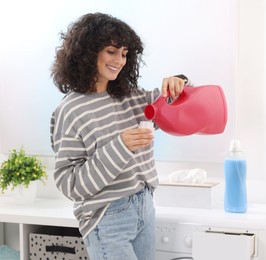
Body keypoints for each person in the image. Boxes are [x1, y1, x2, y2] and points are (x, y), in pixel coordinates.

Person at [50, 12, 188, 260]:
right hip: (107, 218)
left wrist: (180, 81)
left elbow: (177, 102)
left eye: (124, 53)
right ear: (88, 51)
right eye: (111, 51)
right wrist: (120, 147)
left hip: (144, 208)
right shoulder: (70, 110)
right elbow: (70, 184)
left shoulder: (132, 97)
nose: (120, 60)